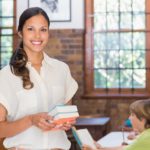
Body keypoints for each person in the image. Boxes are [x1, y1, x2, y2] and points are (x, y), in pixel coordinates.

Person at [0, 7, 78, 150]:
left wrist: (67, 122)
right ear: (20, 33)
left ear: (48, 32)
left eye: (43, 29)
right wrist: (30, 120)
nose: (37, 36)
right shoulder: (5, 75)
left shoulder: (62, 70)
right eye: (30, 29)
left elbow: (67, 114)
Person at [82, 99, 150, 150]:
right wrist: (102, 148)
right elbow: (126, 148)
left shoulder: (145, 138)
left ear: (142, 119)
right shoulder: (146, 134)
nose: (129, 118)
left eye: (132, 115)